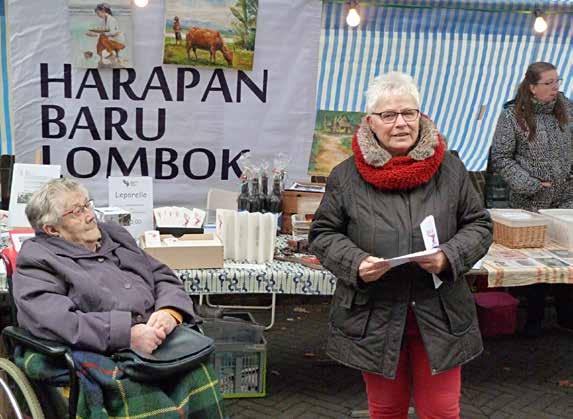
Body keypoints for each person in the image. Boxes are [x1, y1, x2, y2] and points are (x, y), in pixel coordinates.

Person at [308, 72, 492, 419]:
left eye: (409, 113)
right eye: (388, 115)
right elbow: (323, 234)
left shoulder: (450, 169)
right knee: (386, 410)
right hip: (374, 314)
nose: (401, 123)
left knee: (440, 411)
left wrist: (447, 256)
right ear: (370, 122)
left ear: (422, 116)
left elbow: (479, 224)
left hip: (440, 312)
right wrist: (356, 262)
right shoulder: (346, 176)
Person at [12, 178, 225, 417]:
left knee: (196, 373)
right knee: (146, 400)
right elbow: (58, 321)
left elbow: (162, 276)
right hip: (101, 351)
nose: (90, 215)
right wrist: (127, 335)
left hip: (154, 340)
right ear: (52, 230)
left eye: (87, 205)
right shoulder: (38, 260)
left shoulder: (113, 235)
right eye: (77, 212)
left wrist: (169, 312)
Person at [490, 61, 573, 337]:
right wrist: (530, 184)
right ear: (532, 87)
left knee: (565, 258)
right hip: (529, 202)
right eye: (548, 83)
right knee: (536, 261)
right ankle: (533, 319)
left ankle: (566, 316)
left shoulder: (568, 110)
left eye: (557, 81)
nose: (555, 88)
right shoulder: (513, 115)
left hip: (565, 201)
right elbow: (501, 157)